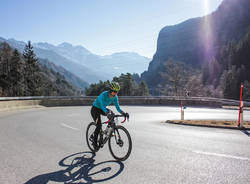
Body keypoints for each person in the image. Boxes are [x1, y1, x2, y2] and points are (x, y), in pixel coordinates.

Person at [90, 81, 129, 151]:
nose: (115, 94)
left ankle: (110, 130)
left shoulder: (115, 97)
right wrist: (107, 113)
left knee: (113, 114)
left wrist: (123, 113)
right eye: (114, 92)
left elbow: (118, 108)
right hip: (95, 109)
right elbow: (101, 105)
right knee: (99, 126)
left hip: (103, 109)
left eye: (117, 92)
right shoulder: (103, 95)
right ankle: (95, 144)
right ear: (110, 90)